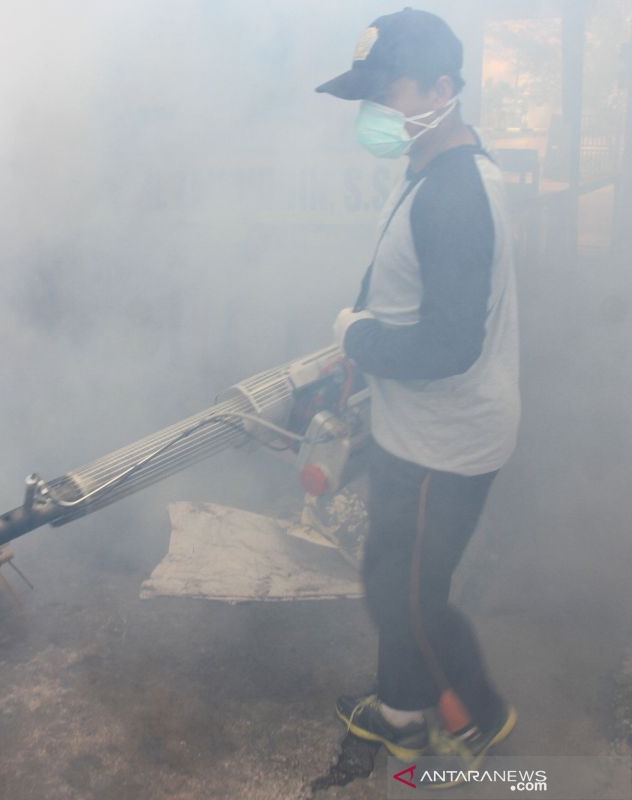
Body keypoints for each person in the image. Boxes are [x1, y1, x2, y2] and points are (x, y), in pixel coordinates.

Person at [315, 7, 521, 780]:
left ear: (443, 86)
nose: (374, 113)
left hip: (447, 441)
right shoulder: (435, 167)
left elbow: (448, 344)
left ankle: (486, 723)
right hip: (417, 429)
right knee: (392, 575)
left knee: (408, 600)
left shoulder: (456, 193)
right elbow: (404, 289)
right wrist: (359, 345)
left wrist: (355, 339)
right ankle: (402, 715)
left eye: (385, 94)